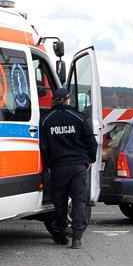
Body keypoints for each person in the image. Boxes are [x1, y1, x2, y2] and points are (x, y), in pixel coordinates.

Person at [40, 87, 97, 249]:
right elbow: (91, 142)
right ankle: (77, 238)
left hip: (58, 168)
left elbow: (43, 147)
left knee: (60, 202)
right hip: (78, 167)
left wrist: (47, 166)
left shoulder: (46, 120)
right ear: (67, 99)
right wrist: (89, 160)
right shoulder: (78, 118)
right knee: (79, 201)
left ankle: (61, 234)